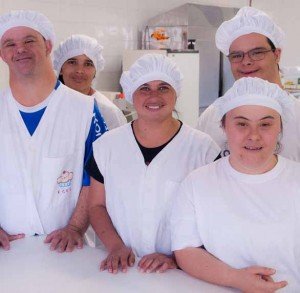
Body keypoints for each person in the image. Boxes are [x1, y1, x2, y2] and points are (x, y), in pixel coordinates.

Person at [87, 54, 220, 274]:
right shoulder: (106, 147)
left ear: (176, 93)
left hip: (181, 274)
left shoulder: (203, 150)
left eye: (163, 88)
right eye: (145, 88)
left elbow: (213, 215)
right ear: (132, 95)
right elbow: (96, 206)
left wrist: (177, 257)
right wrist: (116, 247)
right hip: (121, 268)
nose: (154, 96)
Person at [172, 77, 300, 292]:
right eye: (242, 124)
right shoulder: (198, 183)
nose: (254, 135)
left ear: (280, 127)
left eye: (266, 124)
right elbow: (185, 249)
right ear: (224, 126)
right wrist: (236, 278)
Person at [0, 10, 107, 251]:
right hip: (7, 254)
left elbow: (98, 178)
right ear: (1, 53)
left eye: (29, 41)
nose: (20, 49)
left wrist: (74, 228)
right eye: (10, 44)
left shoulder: (85, 110)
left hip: (66, 252)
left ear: (48, 45)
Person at [196, 6, 300, 161]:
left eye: (257, 53)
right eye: (237, 55)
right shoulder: (212, 117)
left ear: (277, 54)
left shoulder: (297, 116)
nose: (246, 62)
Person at [53, 34, 127, 130]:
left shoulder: (108, 112)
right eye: (72, 62)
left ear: (95, 71)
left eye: (88, 64)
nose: (79, 70)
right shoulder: (49, 105)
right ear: (61, 68)